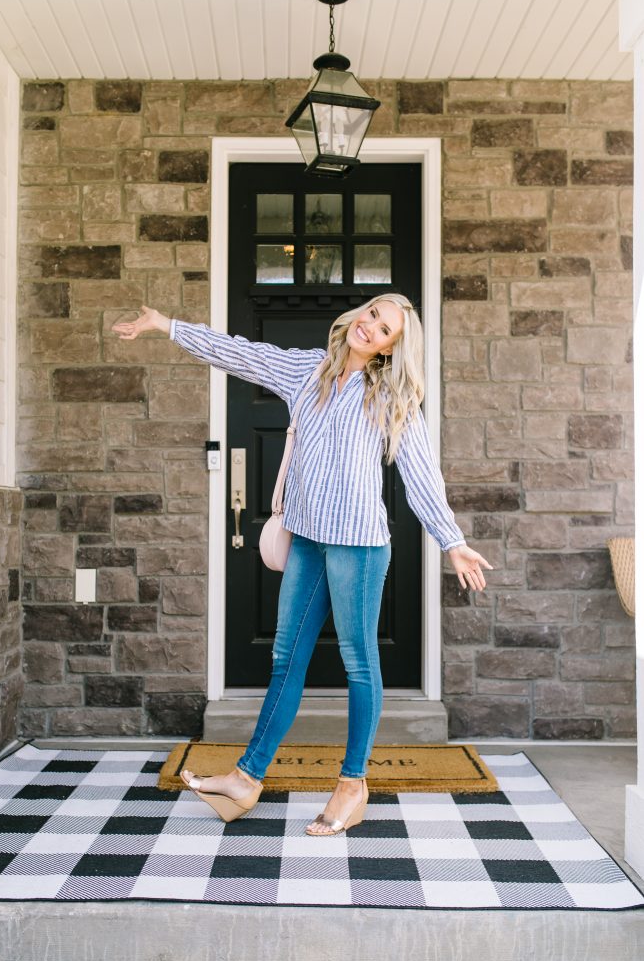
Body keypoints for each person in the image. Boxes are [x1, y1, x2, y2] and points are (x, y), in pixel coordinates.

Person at [112, 295, 492, 837]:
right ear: (358, 315)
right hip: (309, 539)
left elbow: (422, 474)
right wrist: (165, 325)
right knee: (285, 658)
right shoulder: (307, 371)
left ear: (391, 346)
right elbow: (237, 354)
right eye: (370, 314)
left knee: (359, 662)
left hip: (359, 545)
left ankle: (353, 783)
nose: (370, 326)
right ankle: (246, 778)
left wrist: (450, 540)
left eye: (384, 328)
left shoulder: (392, 396)